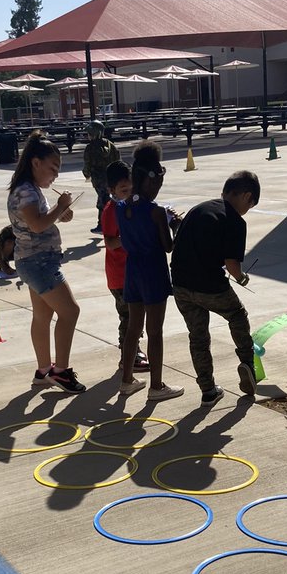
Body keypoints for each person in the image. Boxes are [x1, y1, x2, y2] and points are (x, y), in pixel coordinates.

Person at [170, 171, 260, 404]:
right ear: (246, 196)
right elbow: (232, 265)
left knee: (198, 337)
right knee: (237, 316)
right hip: (210, 286)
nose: (246, 210)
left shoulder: (198, 208)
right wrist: (241, 278)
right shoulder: (235, 221)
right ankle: (247, 364)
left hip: (180, 284)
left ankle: (208, 390)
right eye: (249, 205)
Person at [7, 130, 85, 393]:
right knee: (70, 311)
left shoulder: (27, 190)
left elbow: (39, 221)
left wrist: (59, 212)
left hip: (31, 261)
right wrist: (59, 207)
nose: (55, 176)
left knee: (43, 316)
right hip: (39, 263)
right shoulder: (26, 192)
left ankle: (43, 372)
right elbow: (38, 225)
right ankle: (60, 372)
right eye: (52, 168)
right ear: (35, 163)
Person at [116, 143, 183, 401]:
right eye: (156, 183)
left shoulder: (122, 207)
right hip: (153, 269)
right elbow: (167, 247)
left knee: (134, 327)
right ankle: (157, 385)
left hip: (132, 269)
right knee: (155, 331)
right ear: (147, 180)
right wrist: (176, 224)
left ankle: (127, 380)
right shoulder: (156, 211)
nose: (158, 188)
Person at [100, 160, 150, 373]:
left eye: (131, 188)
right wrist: (129, 235)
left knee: (136, 314)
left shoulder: (132, 205)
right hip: (120, 275)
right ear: (111, 191)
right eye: (123, 190)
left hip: (133, 272)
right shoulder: (111, 211)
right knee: (128, 317)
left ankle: (133, 349)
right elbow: (110, 242)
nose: (128, 192)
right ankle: (127, 355)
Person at [82, 119, 119, 232]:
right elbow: (117, 159)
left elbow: (87, 165)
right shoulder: (110, 144)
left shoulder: (90, 148)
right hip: (110, 177)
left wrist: (86, 174)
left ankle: (103, 225)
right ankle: (105, 224)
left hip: (98, 180)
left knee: (103, 202)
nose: (88, 136)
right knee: (105, 199)